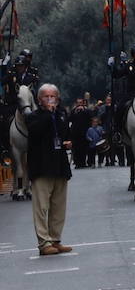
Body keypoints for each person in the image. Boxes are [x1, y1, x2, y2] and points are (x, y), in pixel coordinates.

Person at [26, 83, 72, 256]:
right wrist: (48, 113)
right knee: (42, 208)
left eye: (53, 96)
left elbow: (64, 134)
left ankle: (55, 239)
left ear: (58, 99)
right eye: (46, 96)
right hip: (41, 167)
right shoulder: (33, 116)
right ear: (39, 99)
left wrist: (68, 142)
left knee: (58, 207)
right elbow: (36, 132)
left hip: (59, 166)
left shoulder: (61, 114)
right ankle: (44, 243)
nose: (50, 99)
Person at [68, 98, 92, 169]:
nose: (79, 104)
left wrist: (84, 110)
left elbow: (90, 117)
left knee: (84, 148)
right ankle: (77, 163)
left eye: (81, 102)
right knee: (76, 149)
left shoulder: (87, 110)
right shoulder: (73, 111)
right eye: (78, 103)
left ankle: (83, 162)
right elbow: (70, 119)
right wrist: (75, 111)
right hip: (75, 133)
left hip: (84, 132)